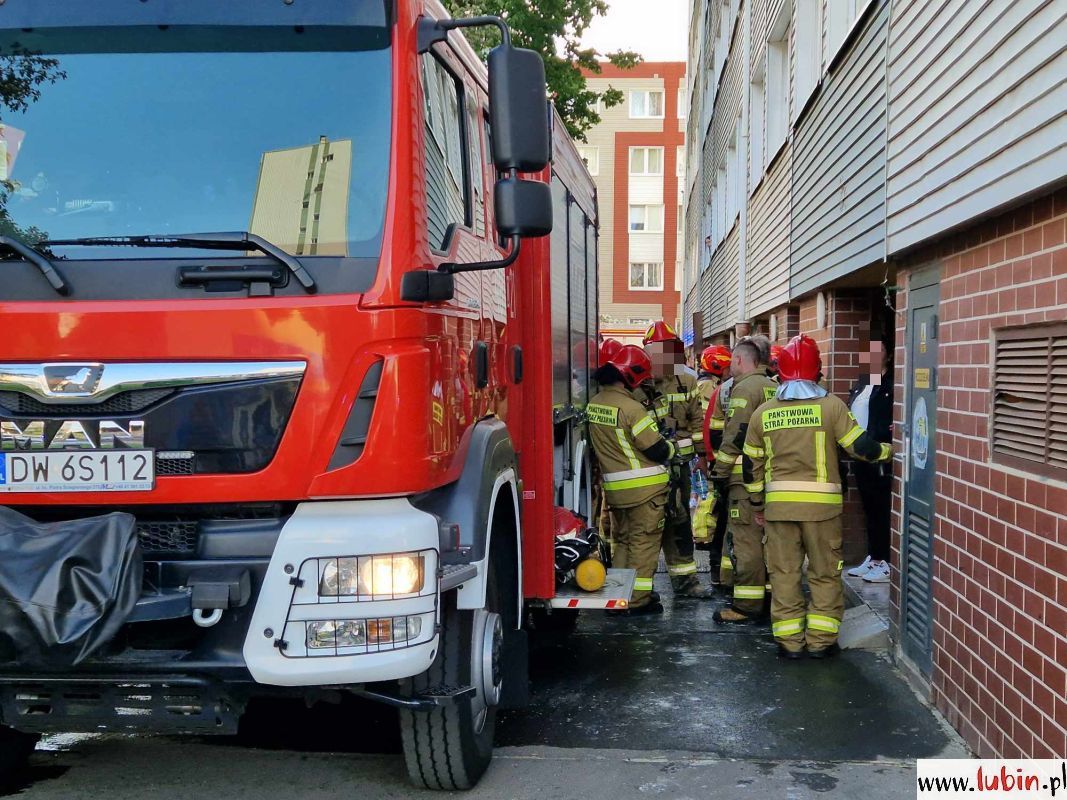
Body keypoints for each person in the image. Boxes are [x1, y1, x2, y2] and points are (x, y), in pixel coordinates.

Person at [742, 335, 893, 658]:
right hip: (822, 511)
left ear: (779, 371)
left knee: (784, 575)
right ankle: (820, 643)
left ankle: (790, 643)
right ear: (818, 371)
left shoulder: (763, 413)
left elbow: (750, 467)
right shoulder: (831, 406)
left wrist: (757, 506)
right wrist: (892, 451)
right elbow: (861, 448)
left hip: (778, 510)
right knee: (824, 574)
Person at [587, 344, 674, 615]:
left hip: (616, 491)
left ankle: (618, 596)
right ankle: (637, 601)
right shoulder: (632, 408)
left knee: (622, 542)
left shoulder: (595, 404)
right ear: (632, 376)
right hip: (646, 491)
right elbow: (656, 449)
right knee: (643, 544)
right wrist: (673, 448)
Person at [640, 322, 716, 599]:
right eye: (657, 353)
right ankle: (637, 588)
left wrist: (700, 458)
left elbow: (698, 421)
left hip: (679, 466)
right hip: (648, 468)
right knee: (645, 526)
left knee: (680, 521)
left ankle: (686, 582)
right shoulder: (640, 383)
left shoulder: (688, 381)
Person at [710, 338, 778, 624]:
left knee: (746, 541)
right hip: (773, 477)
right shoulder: (775, 387)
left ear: (740, 360)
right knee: (769, 542)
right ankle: (771, 596)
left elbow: (735, 435)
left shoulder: (744, 389)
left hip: (743, 478)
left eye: (732, 362)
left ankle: (747, 606)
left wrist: (719, 474)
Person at [846, 340, 894, 584]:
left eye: (879, 351)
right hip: (861, 455)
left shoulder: (891, 384)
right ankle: (874, 557)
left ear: (888, 356)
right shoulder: (863, 383)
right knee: (869, 509)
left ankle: (885, 560)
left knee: (881, 510)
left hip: (880, 456)